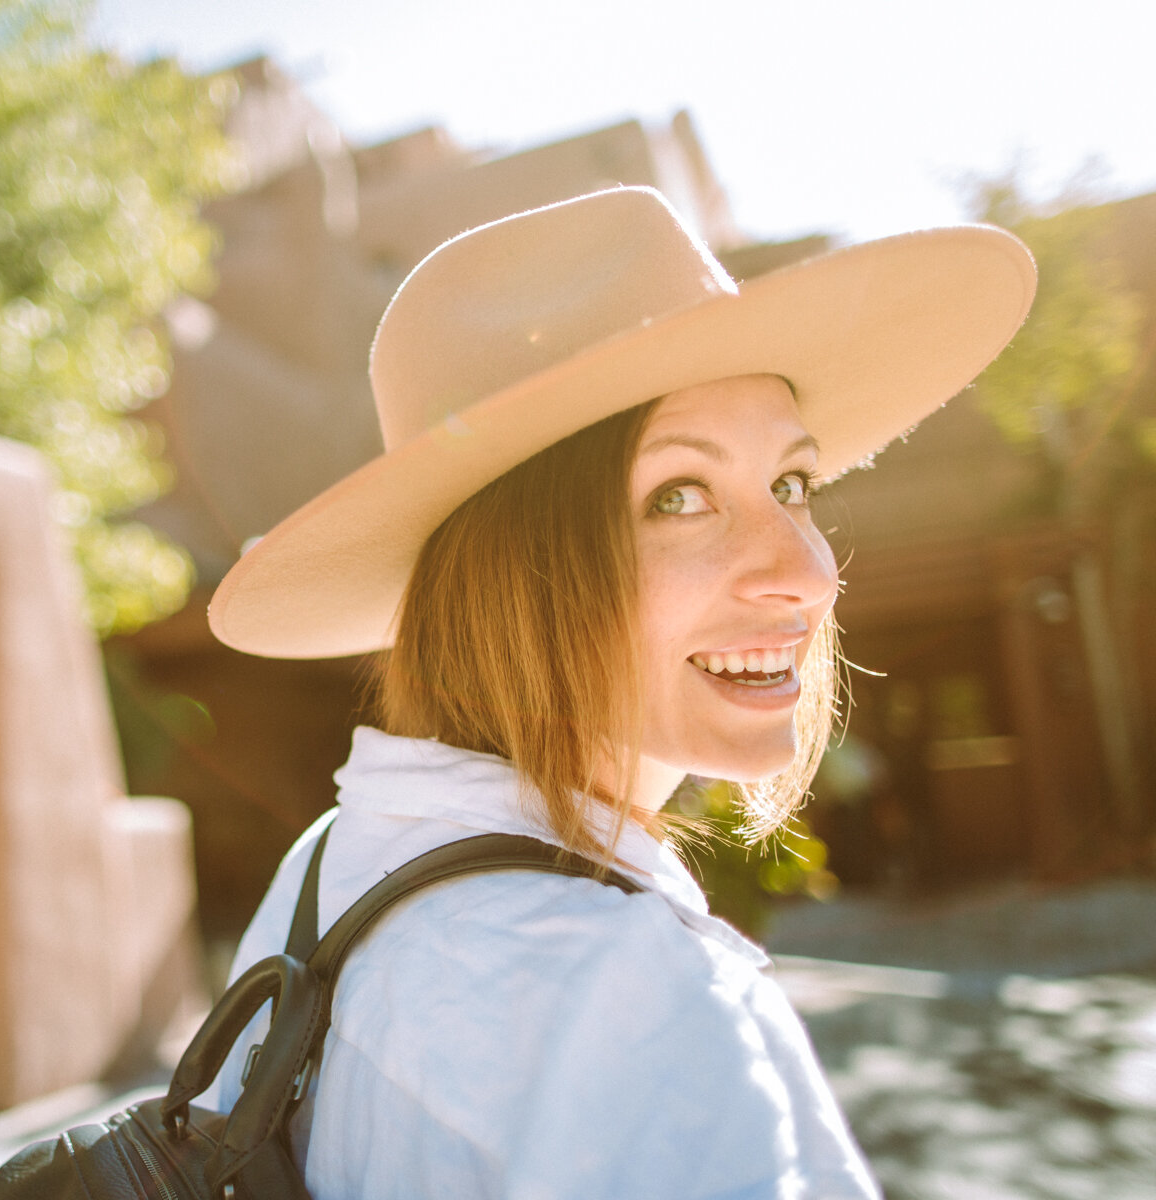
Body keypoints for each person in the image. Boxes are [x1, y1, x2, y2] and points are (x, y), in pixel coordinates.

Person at [197, 186, 1035, 1198]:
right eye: (678, 497)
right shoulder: (643, 1006)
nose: (807, 571)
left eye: (794, 485)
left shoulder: (331, 869)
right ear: (514, 573)